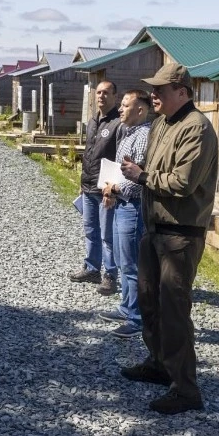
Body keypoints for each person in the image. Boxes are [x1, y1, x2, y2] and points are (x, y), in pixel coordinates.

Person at [119, 63, 218, 415]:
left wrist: (142, 175)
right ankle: (160, 365)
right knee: (150, 304)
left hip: (181, 234)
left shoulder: (197, 128)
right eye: (154, 90)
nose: (154, 95)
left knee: (175, 312)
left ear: (182, 92)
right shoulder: (162, 123)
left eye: (161, 90)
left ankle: (186, 389)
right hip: (155, 229)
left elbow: (183, 183)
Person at [97, 89, 151, 338]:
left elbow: (138, 177)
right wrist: (111, 189)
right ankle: (126, 307)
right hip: (121, 202)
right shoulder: (128, 133)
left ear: (140, 109)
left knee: (131, 264)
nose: (120, 109)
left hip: (134, 206)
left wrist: (116, 187)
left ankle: (136, 318)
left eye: (126, 105)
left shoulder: (143, 135)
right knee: (122, 260)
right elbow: (120, 172)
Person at [69, 81, 121, 296]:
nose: (101, 96)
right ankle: (92, 268)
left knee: (108, 235)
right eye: (98, 92)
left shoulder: (118, 123)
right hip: (89, 185)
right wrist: (83, 182)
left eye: (106, 93)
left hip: (105, 189)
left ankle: (110, 275)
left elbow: (120, 157)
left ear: (115, 97)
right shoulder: (92, 121)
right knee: (90, 230)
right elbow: (89, 153)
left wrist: (113, 188)